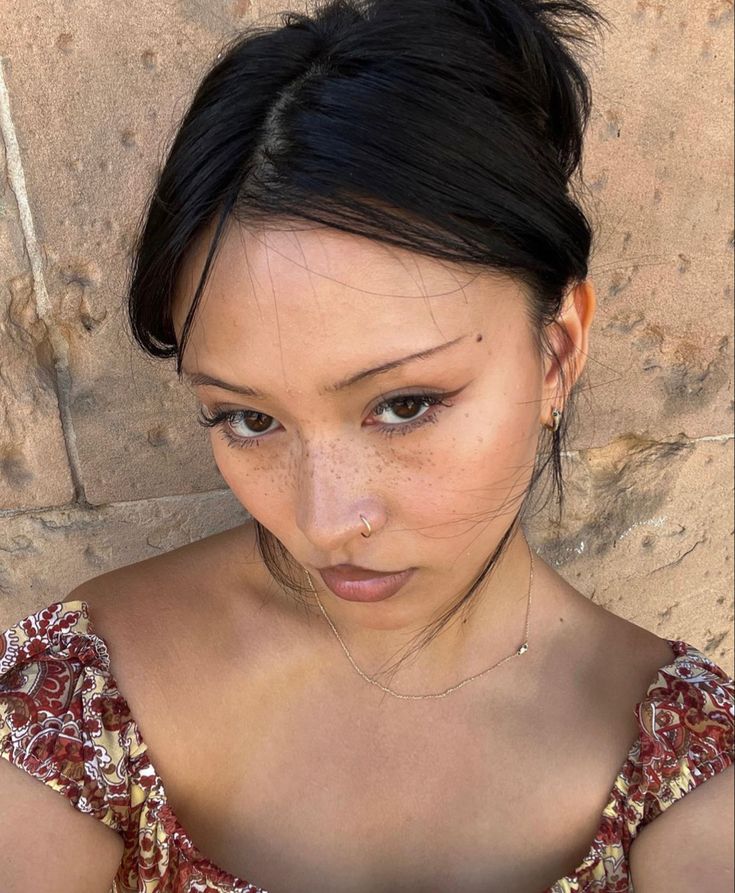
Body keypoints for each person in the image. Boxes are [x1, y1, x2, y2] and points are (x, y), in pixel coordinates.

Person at [1, 0, 733, 890]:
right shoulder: (79, 699)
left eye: (404, 403)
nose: (324, 520)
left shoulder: (688, 768)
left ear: (556, 352)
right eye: (248, 418)